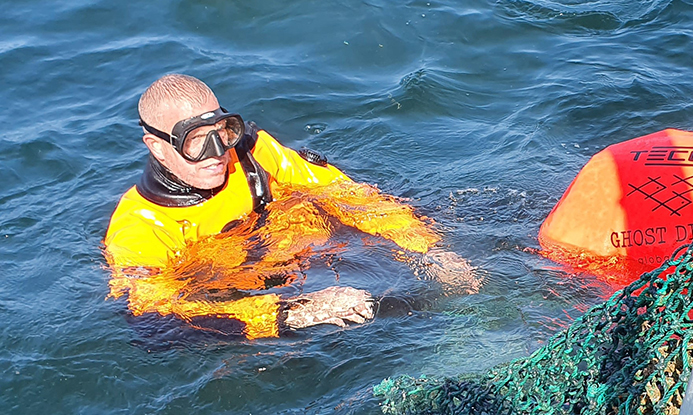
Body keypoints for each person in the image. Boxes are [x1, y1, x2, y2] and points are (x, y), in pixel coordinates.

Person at [105, 74, 480, 340]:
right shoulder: (140, 228)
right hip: (247, 313)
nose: (217, 154)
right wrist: (293, 313)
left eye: (222, 133)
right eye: (196, 143)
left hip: (314, 261)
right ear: (157, 146)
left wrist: (426, 249)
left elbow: (343, 192)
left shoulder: (252, 155)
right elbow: (158, 318)